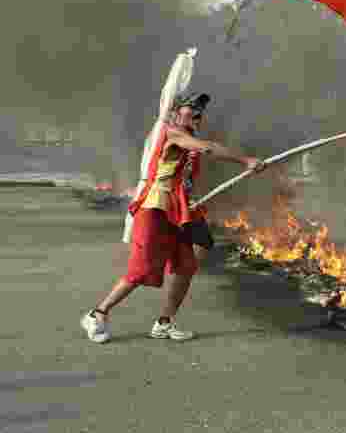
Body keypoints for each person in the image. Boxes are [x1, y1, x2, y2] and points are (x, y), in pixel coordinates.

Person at [81, 93, 265, 343]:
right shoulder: (171, 132)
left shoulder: (188, 139)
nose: (197, 113)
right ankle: (97, 314)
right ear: (175, 112)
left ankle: (164, 323)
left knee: (186, 266)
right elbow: (208, 148)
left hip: (176, 212)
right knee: (141, 269)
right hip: (154, 209)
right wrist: (246, 160)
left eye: (200, 110)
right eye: (191, 108)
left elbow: (187, 174)